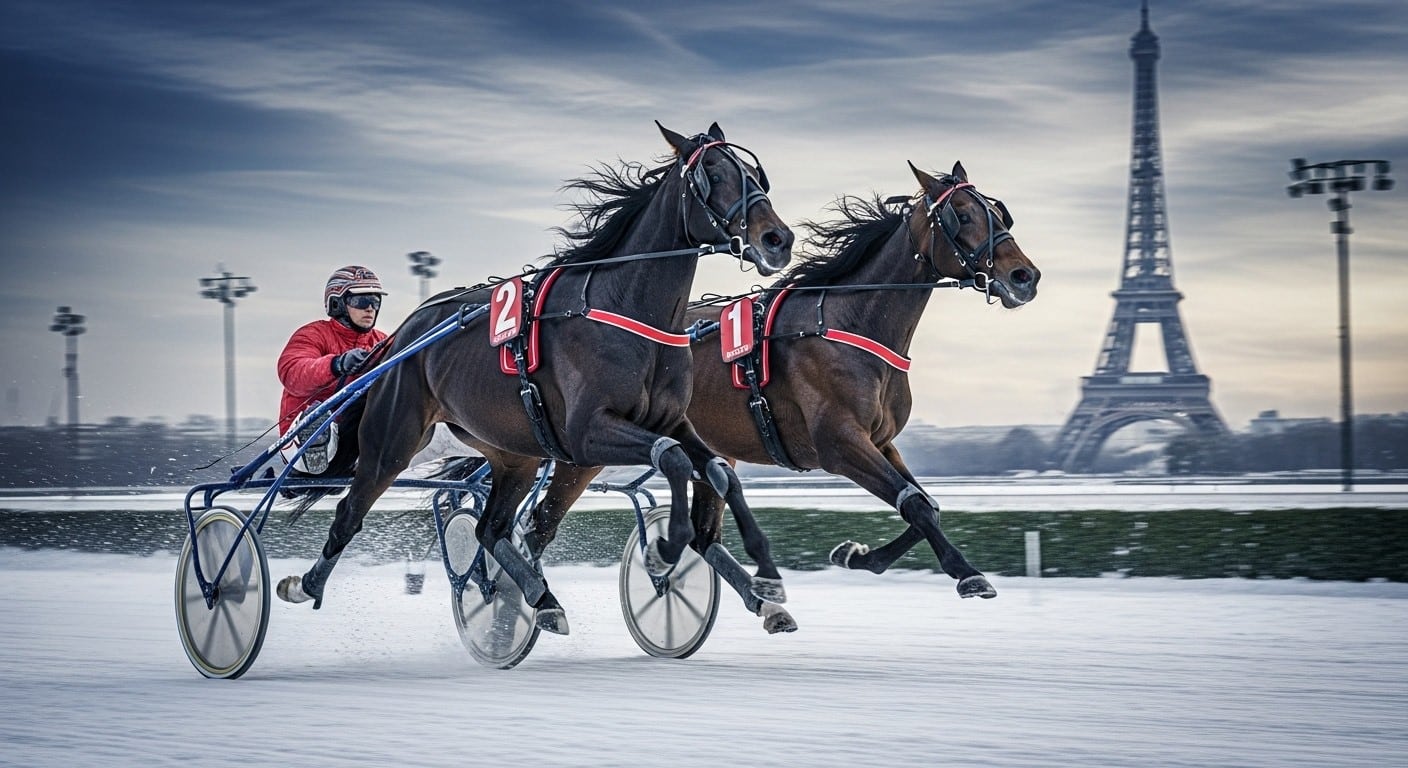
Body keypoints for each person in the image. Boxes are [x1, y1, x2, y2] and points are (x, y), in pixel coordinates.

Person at [276, 265, 388, 477]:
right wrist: (336, 364)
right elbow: (291, 373)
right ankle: (312, 464)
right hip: (308, 437)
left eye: (376, 301)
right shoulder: (313, 334)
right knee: (320, 422)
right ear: (337, 304)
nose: (370, 308)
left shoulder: (381, 342)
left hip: (358, 434)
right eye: (362, 301)